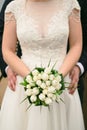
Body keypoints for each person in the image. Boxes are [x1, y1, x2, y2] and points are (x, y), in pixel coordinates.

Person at [0, 0, 85, 130]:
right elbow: (7, 49)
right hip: (26, 83)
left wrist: (57, 78)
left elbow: (76, 44)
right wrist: (33, 79)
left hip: (62, 81)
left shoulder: (71, 5)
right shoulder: (14, 7)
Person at [0, 0, 22, 89]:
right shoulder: (12, 3)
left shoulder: (67, 4)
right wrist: (8, 66)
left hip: (64, 74)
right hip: (20, 73)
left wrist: (70, 65)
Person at [69, 0, 87, 104]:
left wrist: (79, 67)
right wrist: (9, 67)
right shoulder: (14, 3)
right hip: (22, 81)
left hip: (71, 82)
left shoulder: (79, 2)